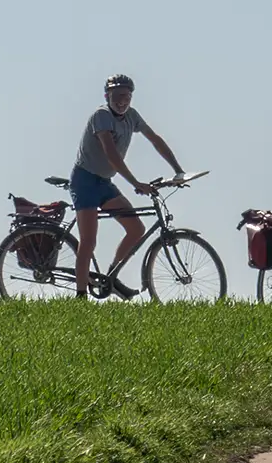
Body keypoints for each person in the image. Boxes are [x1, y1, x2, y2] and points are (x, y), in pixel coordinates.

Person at [69, 74, 185, 299]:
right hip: (85, 181)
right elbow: (111, 154)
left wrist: (177, 169)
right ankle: (80, 296)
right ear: (107, 96)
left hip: (104, 182)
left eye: (127, 97)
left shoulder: (132, 116)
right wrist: (135, 183)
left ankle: (110, 278)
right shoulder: (101, 116)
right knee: (89, 241)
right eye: (118, 96)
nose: (123, 101)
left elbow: (155, 140)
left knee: (136, 229)